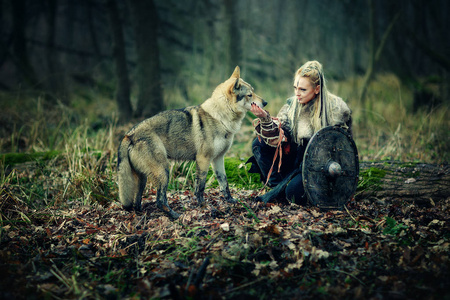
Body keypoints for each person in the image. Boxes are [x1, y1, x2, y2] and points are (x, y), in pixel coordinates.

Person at [248, 60, 352, 205]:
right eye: (295, 88)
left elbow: (342, 149)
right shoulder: (292, 106)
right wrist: (265, 118)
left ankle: (285, 190)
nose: (297, 93)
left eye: (303, 90)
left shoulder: (335, 109)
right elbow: (279, 136)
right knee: (258, 145)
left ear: (317, 89)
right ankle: (277, 187)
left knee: (293, 194)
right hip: (294, 161)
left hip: (320, 168)